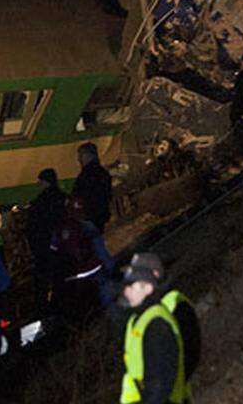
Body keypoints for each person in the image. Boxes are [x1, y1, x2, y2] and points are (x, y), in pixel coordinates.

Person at [118, 253, 188, 404]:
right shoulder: (137, 320)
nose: (125, 290)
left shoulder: (156, 325)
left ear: (148, 288)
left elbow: (159, 384)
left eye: (131, 285)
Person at [27, 168, 67, 312]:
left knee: (43, 278)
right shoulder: (63, 199)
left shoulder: (39, 203)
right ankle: (62, 302)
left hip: (43, 246)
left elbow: (32, 227)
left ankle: (43, 307)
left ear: (45, 182)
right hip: (63, 245)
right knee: (61, 276)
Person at [73, 142, 113, 233]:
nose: (78, 159)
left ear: (88, 155)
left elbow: (78, 198)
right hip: (100, 217)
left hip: (88, 218)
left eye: (80, 156)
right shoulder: (103, 173)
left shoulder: (86, 176)